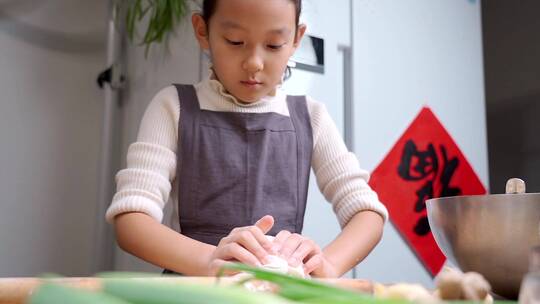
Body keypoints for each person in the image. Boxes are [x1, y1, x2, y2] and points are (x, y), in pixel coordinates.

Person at [106, 0, 388, 278]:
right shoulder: (173, 106)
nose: (254, 63)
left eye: (274, 45)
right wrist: (209, 261)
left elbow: (367, 213)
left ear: (296, 39)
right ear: (202, 31)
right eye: (235, 41)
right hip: (193, 292)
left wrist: (329, 263)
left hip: (279, 293)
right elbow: (131, 221)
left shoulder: (311, 117)